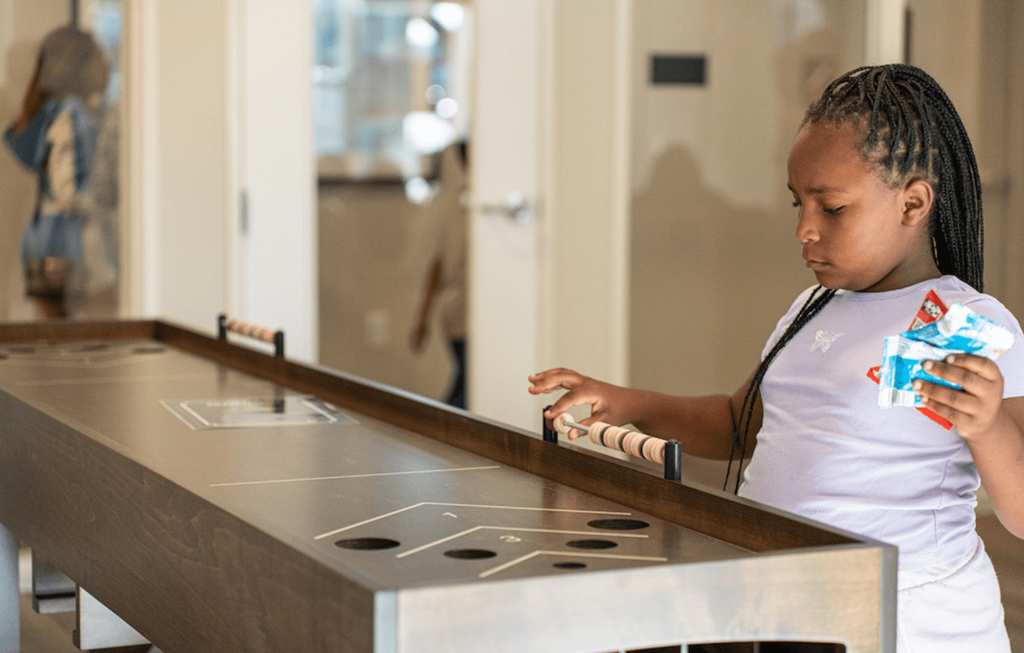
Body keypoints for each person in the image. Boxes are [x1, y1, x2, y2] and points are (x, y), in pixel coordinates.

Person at [528, 64, 1024, 652]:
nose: (804, 231)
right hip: (792, 605)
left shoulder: (954, 325)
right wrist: (622, 401)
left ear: (913, 204)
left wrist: (988, 425)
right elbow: (740, 426)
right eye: (798, 205)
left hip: (906, 622)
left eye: (831, 208)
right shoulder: (814, 308)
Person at [3, 26, 108, 319]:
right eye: (98, 57)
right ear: (77, 65)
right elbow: (66, 187)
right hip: (66, 236)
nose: (107, 65)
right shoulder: (69, 113)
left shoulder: (57, 112)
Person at [410, 140, 469, 409]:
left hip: (454, 311)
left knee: (466, 385)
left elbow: (437, 264)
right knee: (467, 388)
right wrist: (422, 316)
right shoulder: (467, 205)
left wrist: (423, 316)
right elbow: (438, 263)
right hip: (464, 313)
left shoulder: (453, 204)